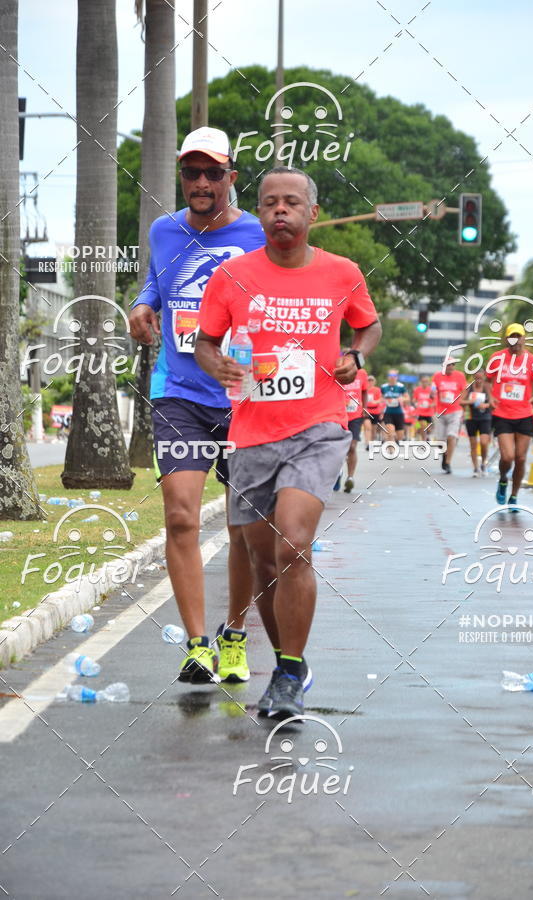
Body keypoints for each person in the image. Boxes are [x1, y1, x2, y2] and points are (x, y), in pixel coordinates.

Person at [195, 166, 381, 718]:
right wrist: (217, 365)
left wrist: (356, 355)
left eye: (292, 202)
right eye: (270, 202)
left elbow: (368, 325)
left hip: (319, 426)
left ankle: (290, 671)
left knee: (292, 544)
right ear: (259, 213)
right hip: (252, 433)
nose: (281, 209)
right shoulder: (233, 276)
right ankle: (287, 666)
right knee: (262, 560)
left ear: (311, 213)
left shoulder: (342, 272)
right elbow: (205, 342)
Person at [129, 126, 265, 686]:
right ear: (181, 176)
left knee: (243, 526)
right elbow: (154, 284)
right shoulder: (164, 230)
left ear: (232, 177)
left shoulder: (258, 232)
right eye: (192, 172)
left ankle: (234, 634)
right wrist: (141, 304)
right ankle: (197, 646)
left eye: (213, 172)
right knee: (181, 515)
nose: (202, 182)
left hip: (243, 397)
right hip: (179, 392)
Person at [486, 323, 533, 508]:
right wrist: (490, 397)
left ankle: (514, 496)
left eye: (518, 336)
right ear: (507, 339)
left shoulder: (532, 361)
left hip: (524, 414)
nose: (516, 340)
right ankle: (503, 479)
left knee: (520, 458)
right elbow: (487, 380)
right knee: (507, 457)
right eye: (512, 337)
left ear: (524, 338)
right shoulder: (497, 358)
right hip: (502, 414)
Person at [431, 356, 467, 474]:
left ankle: (448, 462)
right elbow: (433, 390)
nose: (451, 366)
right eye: (448, 364)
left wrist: (460, 401)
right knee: (440, 441)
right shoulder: (437, 376)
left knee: (451, 436)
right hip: (440, 412)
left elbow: (464, 390)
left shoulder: (460, 376)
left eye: (453, 364)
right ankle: (444, 455)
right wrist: (432, 394)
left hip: (455, 411)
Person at [341, 367, 369, 491]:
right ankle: (337, 473)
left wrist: (365, 407)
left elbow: (365, 391)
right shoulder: (338, 370)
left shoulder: (362, 373)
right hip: (339, 415)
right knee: (339, 448)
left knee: (352, 447)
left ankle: (350, 477)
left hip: (356, 416)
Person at [461, 368, 493, 476]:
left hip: (485, 418)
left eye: (480, 378)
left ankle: (483, 463)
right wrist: (471, 401)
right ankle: (475, 468)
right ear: (473, 378)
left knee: (484, 442)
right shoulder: (469, 388)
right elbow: (461, 401)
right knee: (473, 445)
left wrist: (486, 405)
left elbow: (493, 402)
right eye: (476, 378)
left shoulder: (487, 387)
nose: (478, 381)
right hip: (471, 418)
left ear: (484, 377)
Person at [381, 370, 406, 441]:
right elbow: (381, 398)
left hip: (399, 413)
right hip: (388, 413)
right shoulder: (384, 387)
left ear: (397, 377)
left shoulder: (401, 386)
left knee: (400, 436)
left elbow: (407, 398)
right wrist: (382, 401)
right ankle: (391, 446)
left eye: (394, 376)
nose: (392, 377)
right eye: (390, 376)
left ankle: (396, 441)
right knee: (391, 432)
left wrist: (402, 399)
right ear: (388, 377)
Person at [363, 375, 386, 447]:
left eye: (372, 380)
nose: (370, 382)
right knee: (367, 427)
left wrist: (376, 402)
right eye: (369, 380)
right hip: (366, 411)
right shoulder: (364, 389)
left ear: (374, 382)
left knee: (373, 430)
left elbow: (381, 399)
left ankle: (371, 442)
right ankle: (367, 442)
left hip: (375, 411)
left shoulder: (377, 390)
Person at [413, 375, 434, 441]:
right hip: (420, 412)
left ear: (428, 382)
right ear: (421, 382)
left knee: (429, 429)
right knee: (421, 427)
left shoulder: (431, 390)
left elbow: (435, 400)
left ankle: (426, 436)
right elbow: (414, 399)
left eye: (426, 381)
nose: (424, 383)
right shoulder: (417, 389)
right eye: (423, 381)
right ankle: (423, 440)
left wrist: (431, 405)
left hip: (429, 412)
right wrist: (416, 403)